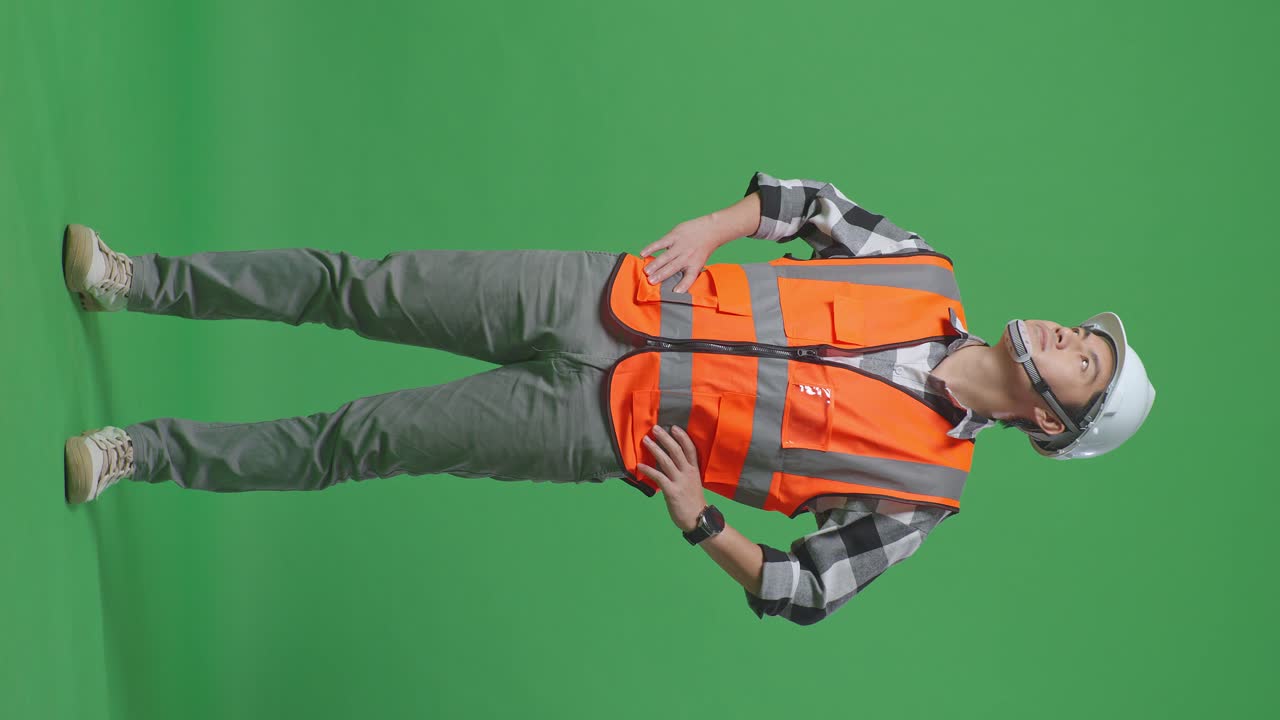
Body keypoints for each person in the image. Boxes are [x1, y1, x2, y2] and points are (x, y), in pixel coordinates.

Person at [61, 171, 1155, 626]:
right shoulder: (924, 271)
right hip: (602, 290)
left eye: (1084, 365)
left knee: (366, 437)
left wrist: (703, 525)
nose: (1068, 339)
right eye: (1085, 337)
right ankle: (132, 279)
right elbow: (810, 202)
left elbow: (804, 591)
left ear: (1052, 423)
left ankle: (139, 453)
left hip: (598, 429)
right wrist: (718, 227)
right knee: (361, 286)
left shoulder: (923, 496)